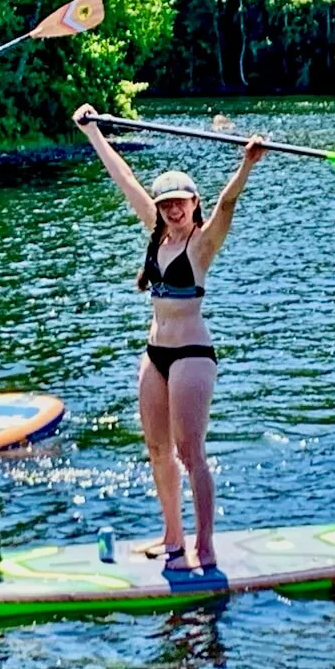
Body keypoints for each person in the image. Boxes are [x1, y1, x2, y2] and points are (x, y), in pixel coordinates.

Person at [72, 104, 267, 570]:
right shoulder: (155, 236)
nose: (174, 209)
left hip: (192, 355)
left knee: (189, 451)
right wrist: (94, 132)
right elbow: (126, 181)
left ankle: (204, 546)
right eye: (167, 203)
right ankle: (172, 537)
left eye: (181, 201)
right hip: (155, 352)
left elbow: (228, 204)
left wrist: (246, 163)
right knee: (157, 449)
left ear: (193, 203)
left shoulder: (202, 243)